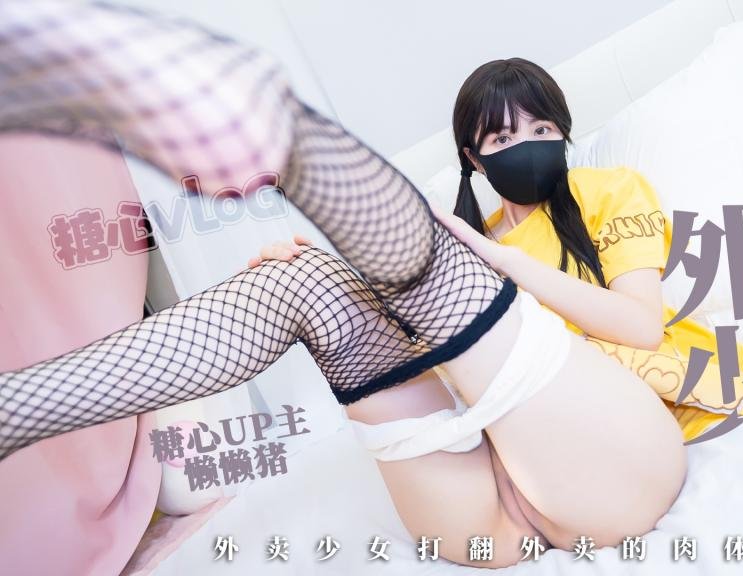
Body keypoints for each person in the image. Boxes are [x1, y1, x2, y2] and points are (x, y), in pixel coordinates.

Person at [0, 3, 689, 568]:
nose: (526, 147)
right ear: (474, 159)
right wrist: (332, 289)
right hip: (492, 509)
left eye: (541, 129)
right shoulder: (470, 234)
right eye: (502, 140)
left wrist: (491, 259)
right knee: (304, 278)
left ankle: (280, 131)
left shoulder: (604, 191)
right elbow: (429, 358)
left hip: (614, 464)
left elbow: (640, 324)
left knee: (427, 259)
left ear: (565, 131)